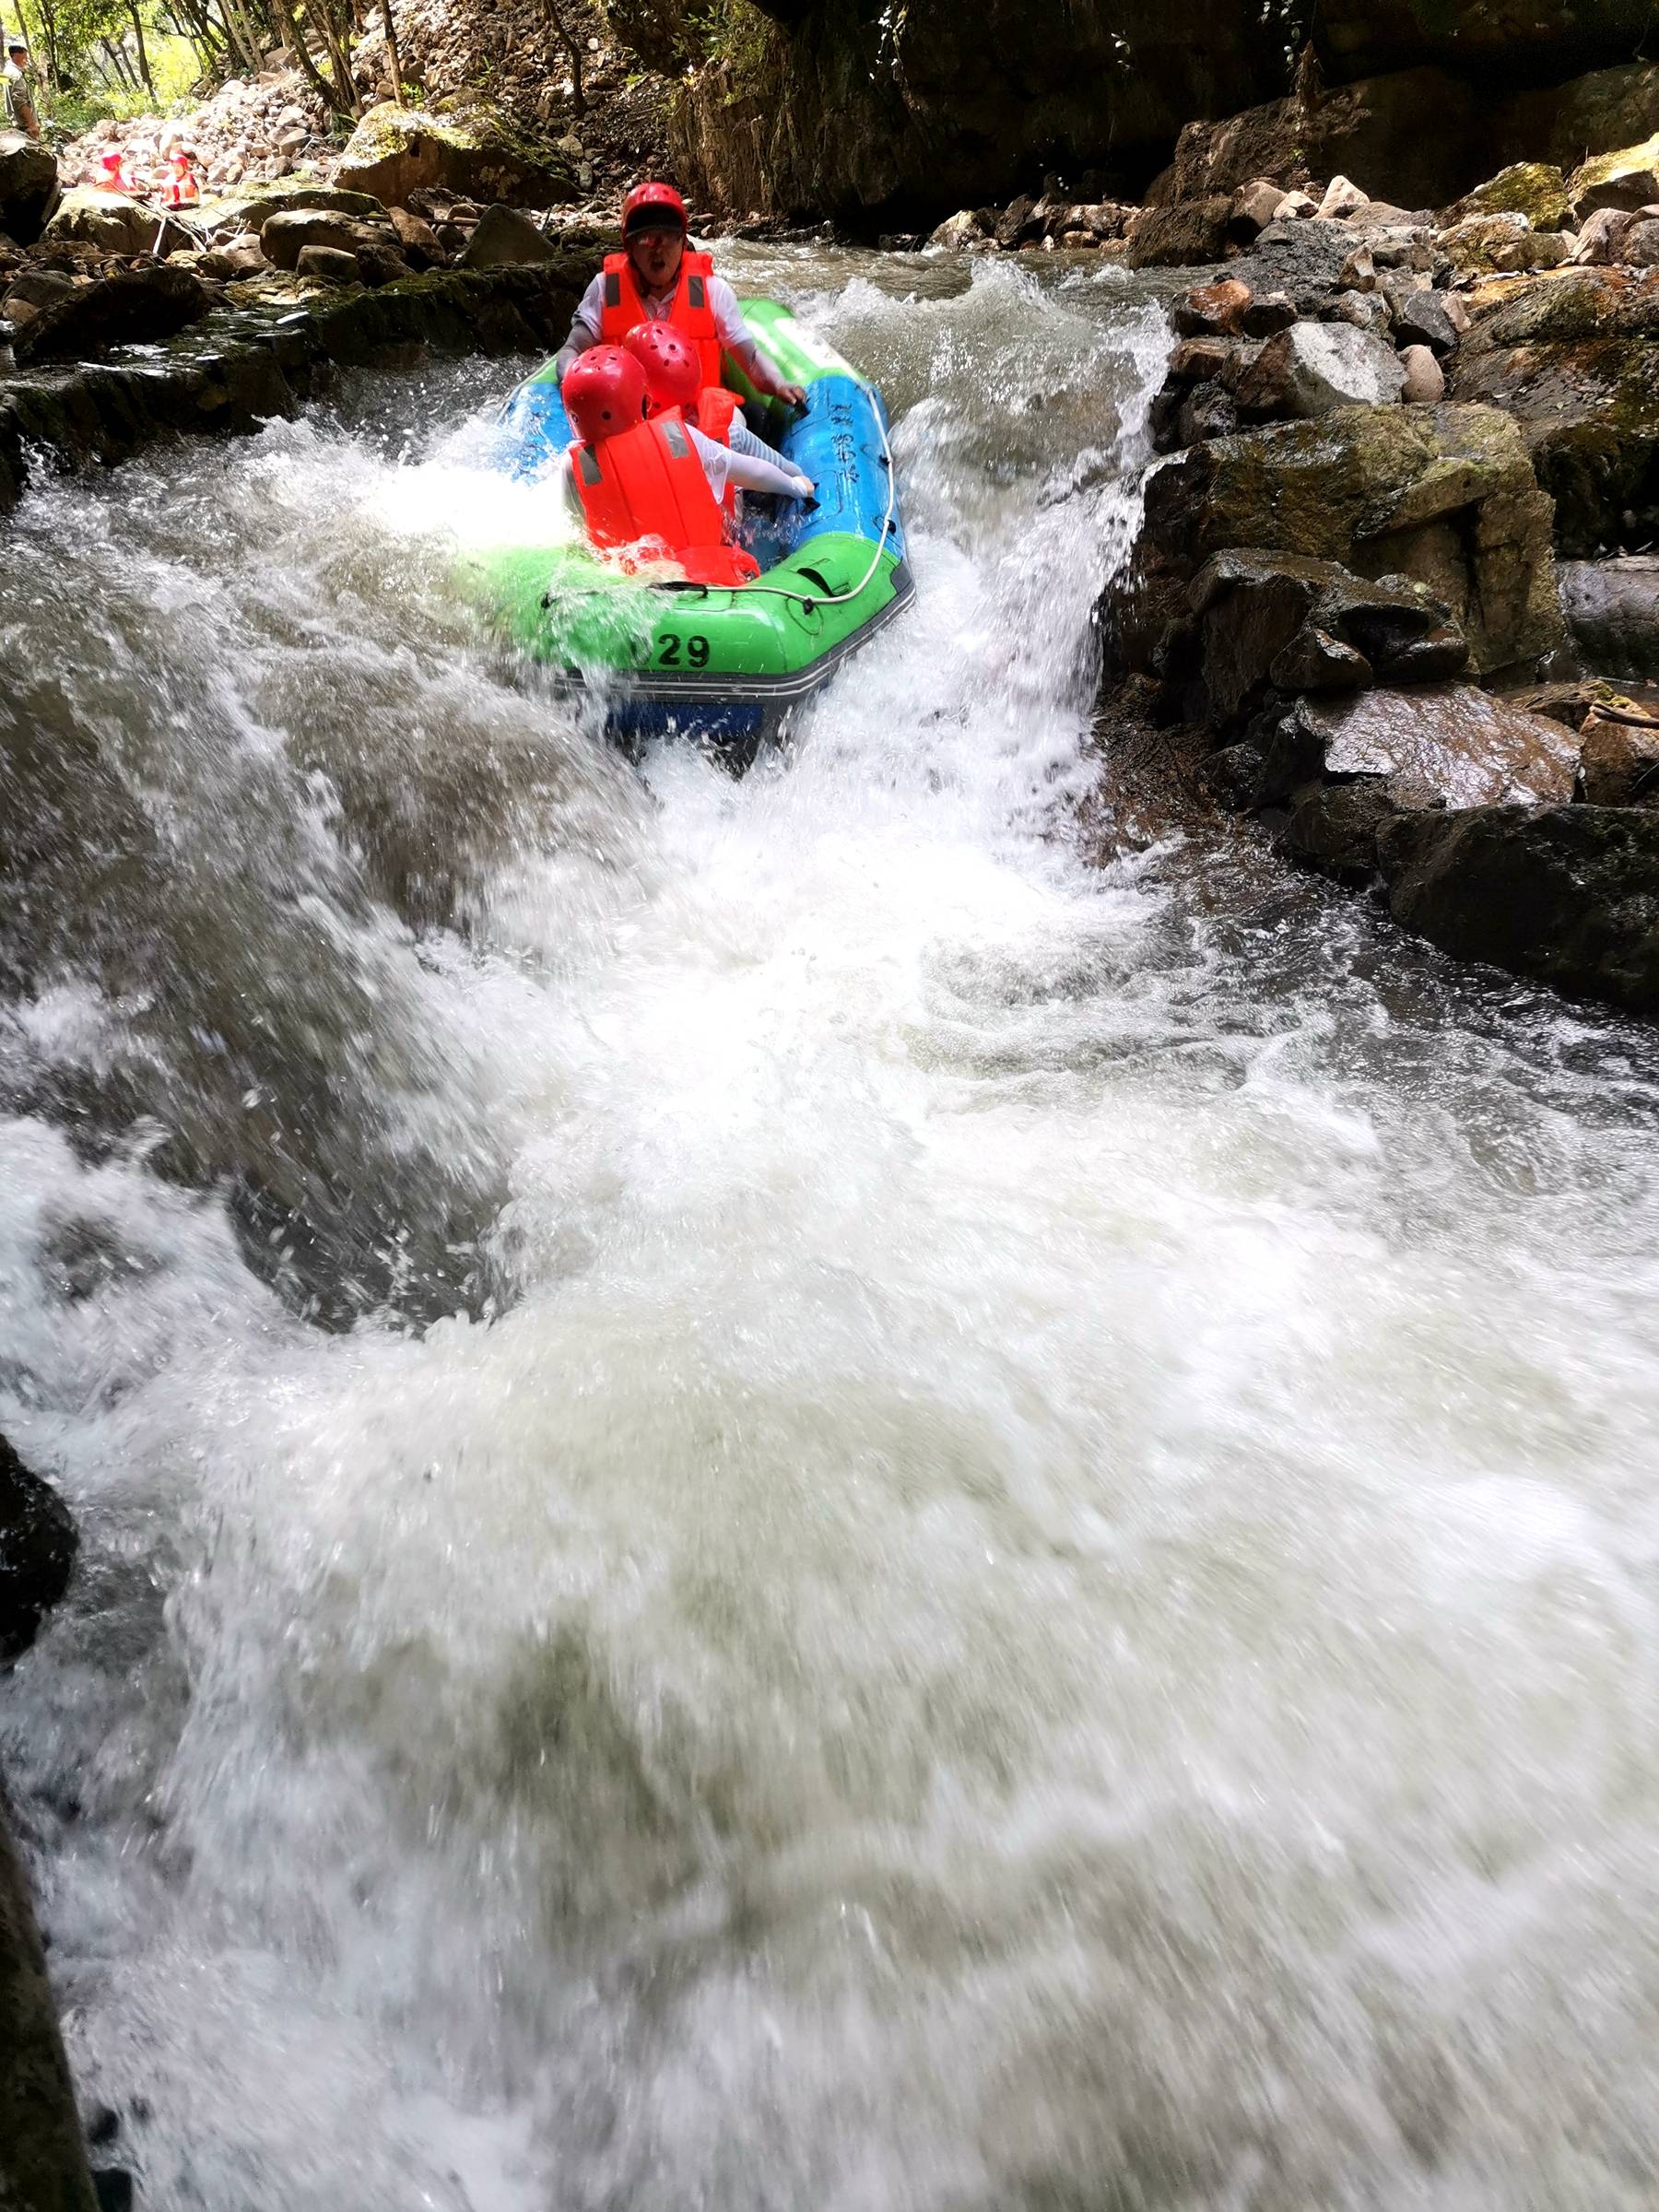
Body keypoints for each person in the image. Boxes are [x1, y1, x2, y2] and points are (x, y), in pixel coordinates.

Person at [558, 345, 812, 587]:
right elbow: (752, 471)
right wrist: (795, 486)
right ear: (644, 401)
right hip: (713, 578)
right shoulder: (679, 436)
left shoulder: (574, 465)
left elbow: (577, 533)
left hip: (638, 590)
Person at [555, 181, 807, 410]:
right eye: (646, 239)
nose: (658, 251)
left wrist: (778, 384)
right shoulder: (604, 289)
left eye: (668, 239)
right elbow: (573, 349)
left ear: (683, 242)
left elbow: (750, 359)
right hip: (629, 419)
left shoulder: (713, 290)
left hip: (697, 419)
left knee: (743, 420)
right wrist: (573, 381)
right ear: (629, 246)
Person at [620, 320, 804, 525]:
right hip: (729, 540)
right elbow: (776, 468)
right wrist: (798, 485)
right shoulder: (729, 428)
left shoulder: (620, 448)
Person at [3, 33, 41, 139]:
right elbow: (20, 100)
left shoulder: (7, 71)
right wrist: (31, 125)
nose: (26, 60)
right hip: (25, 127)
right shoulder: (15, 74)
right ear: (16, 55)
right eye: (24, 57)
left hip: (17, 124)